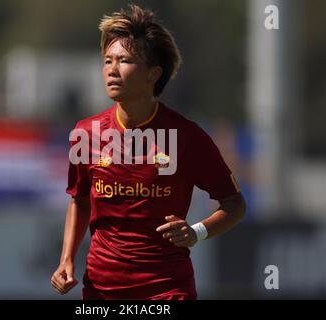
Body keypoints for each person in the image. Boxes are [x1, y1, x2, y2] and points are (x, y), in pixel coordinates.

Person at [51, 5, 246, 300]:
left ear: (153, 74)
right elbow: (79, 200)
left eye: (125, 61)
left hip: (167, 291)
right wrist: (67, 259)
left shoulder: (186, 137)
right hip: (102, 291)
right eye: (107, 61)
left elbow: (234, 204)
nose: (112, 70)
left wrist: (196, 232)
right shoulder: (86, 133)